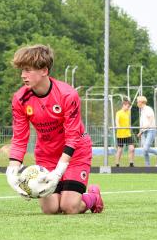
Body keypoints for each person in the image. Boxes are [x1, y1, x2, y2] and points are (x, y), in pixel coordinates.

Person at [6, 44, 103, 214]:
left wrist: (58, 172)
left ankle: (94, 197)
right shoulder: (20, 99)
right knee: (51, 209)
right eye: (22, 71)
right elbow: (20, 138)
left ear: (44, 70)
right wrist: (12, 173)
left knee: (69, 207)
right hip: (47, 155)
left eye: (28, 70)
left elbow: (72, 137)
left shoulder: (67, 94)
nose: (23, 75)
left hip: (76, 153)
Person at [136, 95, 157, 167]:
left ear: (141, 102)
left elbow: (151, 118)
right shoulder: (142, 111)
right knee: (144, 150)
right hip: (144, 131)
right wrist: (141, 132)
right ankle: (147, 166)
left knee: (146, 148)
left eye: (137, 102)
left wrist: (148, 125)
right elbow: (143, 123)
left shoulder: (148, 109)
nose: (137, 103)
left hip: (151, 130)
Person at [114, 98, 135, 167]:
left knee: (132, 148)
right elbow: (117, 121)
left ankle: (131, 163)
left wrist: (129, 126)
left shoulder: (128, 112)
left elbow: (127, 122)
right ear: (124, 105)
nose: (128, 108)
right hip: (120, 135)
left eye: (129, 107)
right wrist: (118, 126)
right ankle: (117, 164)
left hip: (128, 134)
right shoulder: (118, 113)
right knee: (120, 150)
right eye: (127, 106)